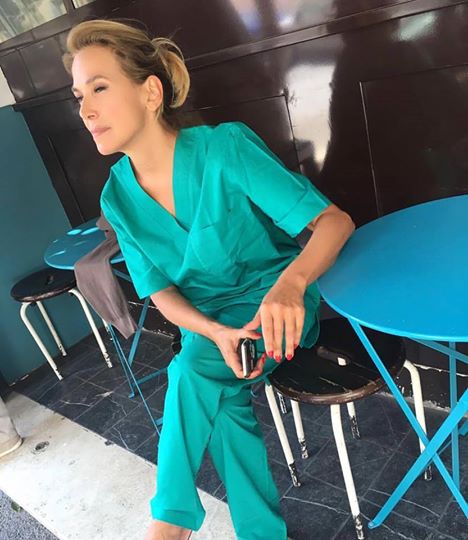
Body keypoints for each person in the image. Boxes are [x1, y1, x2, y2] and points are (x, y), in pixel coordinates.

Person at [63, 19, 355, 540]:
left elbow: (334, 223)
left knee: (191, 374)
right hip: (208, 327)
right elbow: (160, 292)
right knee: (217, 396)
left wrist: (291, 286)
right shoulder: (117, 197)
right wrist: (214, 331)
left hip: (274, 306)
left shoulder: (224, 150)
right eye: (79, 96)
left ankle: (170, 523)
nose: (85, 111)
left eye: (99, 88)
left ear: (150, 92)